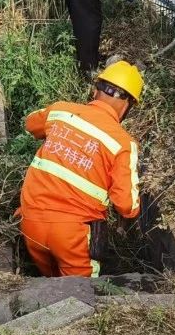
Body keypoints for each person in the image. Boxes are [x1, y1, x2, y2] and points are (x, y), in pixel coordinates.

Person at [17, 60, 144, 277]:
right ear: (128, 105)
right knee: (82, 297)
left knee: (49, 287)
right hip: (71, 234)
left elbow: (30, 124)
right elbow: (127, 205)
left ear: (95, 90)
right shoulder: (123, 144)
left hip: (30, 222)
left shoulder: (60, 111)